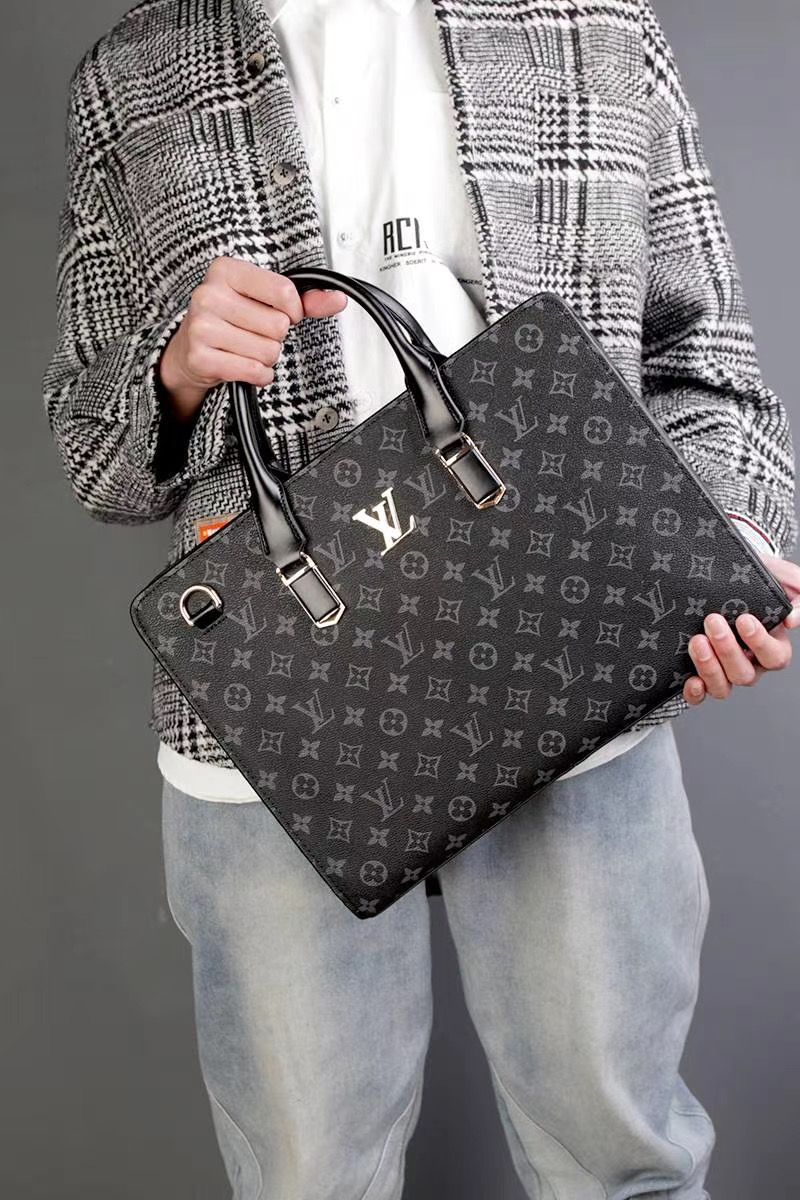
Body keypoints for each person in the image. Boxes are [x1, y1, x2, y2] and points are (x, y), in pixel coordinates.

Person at [43, 0, 799, 1196]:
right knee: (307, 1178)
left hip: (571, 665)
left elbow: (699, 362)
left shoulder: (592, 24)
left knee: (621, 1165)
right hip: (277, 725)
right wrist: (175, 370)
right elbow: (97, 458)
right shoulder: (136, 68)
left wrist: (730, 550)